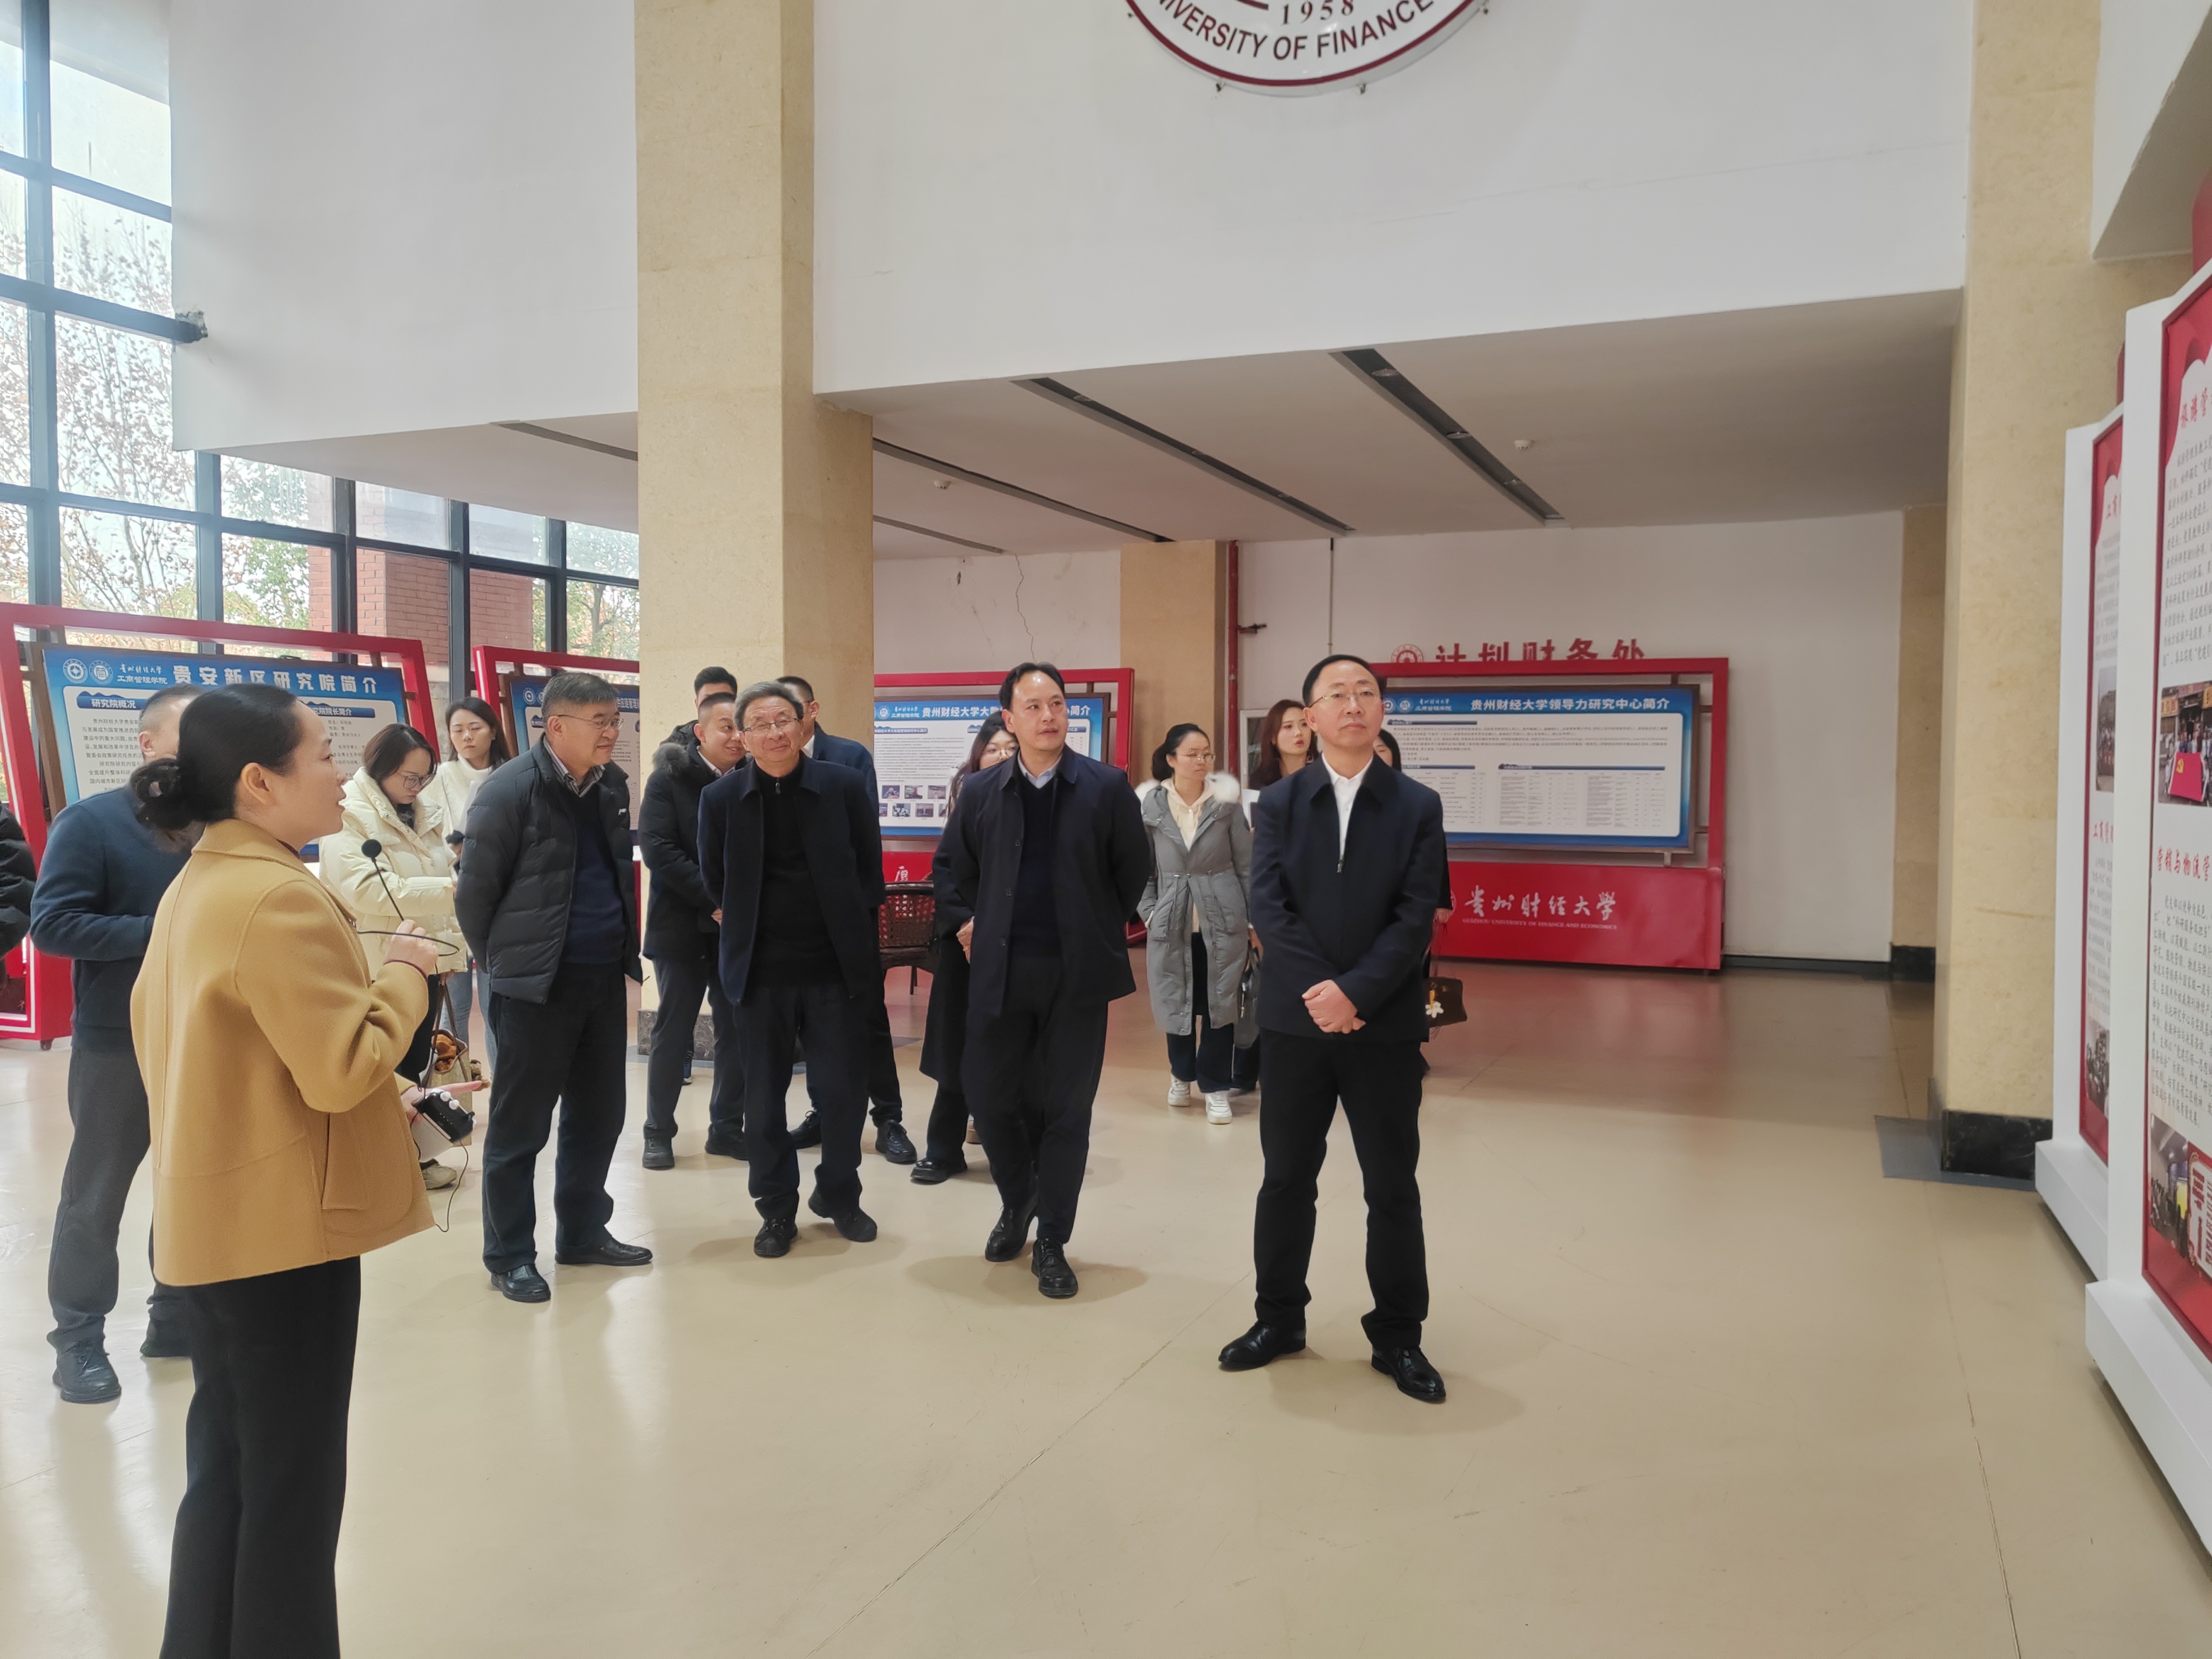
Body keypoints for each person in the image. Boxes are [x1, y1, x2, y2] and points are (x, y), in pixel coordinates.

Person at [127, 682, 443, 1656]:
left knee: (230, 1473)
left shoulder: (203, 881)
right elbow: (343, 1065)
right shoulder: (274, 895)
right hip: (281, 1238)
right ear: (259, 781)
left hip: (216, 1224)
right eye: (321, 755)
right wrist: (406, 973)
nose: (340, 775)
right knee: (292, 1496)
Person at [1218, 654, 1449, 1404]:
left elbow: (1415, 917)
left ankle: (1399, 1336)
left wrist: (1357, 994)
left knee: (1392, 1185)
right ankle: (1278, 1320)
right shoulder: (1280, 803)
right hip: (1296, 1023)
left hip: (1385, 1026)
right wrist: (1323, 992)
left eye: (1366, 693)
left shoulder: (1417, 805)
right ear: (1310, 716)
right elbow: (1269, 906)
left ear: (1381, 710)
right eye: (1337, 695)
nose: (1354, 704)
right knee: (1286, 1179)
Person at [937, 663, 1148, 1299]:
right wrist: (970, 921)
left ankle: (1052, 1239)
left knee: (1066, 1110)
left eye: (1056, 703)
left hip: (1075, 975)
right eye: (1032, 706)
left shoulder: (1106, 787)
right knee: (989, 1096)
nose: (1048, 716)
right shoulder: (982, 791)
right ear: (1009, 719)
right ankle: (1019, 1198)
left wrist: (1092, 925)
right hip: (999, 970)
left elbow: (1131, 869)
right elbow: (952, 869)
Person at [457, 670, 652, 1304]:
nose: (612, 732)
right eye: (600, 722)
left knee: (598, 1118)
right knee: (520, 1129)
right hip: (534, 988)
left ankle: (583, 1233)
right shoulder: (508, 790)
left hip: (602, 979)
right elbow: (474, 898)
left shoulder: (611, 784)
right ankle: (510, 1254)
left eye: (615, 720)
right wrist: (504, 968)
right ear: (557, 725)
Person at [33, 684, 183, 1404]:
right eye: (188, 735)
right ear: (147, 744)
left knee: (189, 1185)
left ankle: (175, 1317)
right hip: (116, 1040)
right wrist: (162, 933)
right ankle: (79, 1341)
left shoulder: (222, 824)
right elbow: (53, 924)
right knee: (95, 1197)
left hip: (204, 1036)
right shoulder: (91, 823)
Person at [699, 682, 887, 1256]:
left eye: (784, 719)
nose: (775, 732)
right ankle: (776, 1208)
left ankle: (840, 1194)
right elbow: (714, 879)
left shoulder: (843, 785)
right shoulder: (721, 799)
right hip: (760, 974)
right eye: (760, 724)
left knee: (842, 1094)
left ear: (804, 723)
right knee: (762, 1104)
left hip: (835, 969)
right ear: (743, 735)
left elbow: (869, 870)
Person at [318, 722, 472, 1190]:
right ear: (380, 768)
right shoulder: (349, 814)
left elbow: (438, 879)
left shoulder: (423, 813)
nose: (417, 787)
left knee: (417, 1062)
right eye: (409, 777)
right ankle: (381, 1165)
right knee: (385, 1066)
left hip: (423, 958)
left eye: (425, 778)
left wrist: (447, 957)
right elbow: (368, 890)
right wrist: (451, 890)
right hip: (378, 964)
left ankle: (413, 1159)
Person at [777, 671, 916, 1164]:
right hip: (796, 926)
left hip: (848, 918)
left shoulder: (849, 757)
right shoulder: (767, 763)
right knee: (812, 1024)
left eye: (789, 712)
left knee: (869, 1017)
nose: (780, 725)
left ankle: (889, 1118)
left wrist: (861, 908)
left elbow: (865, 840)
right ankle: (823, 1111)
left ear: (811, 711)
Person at [639, 690, 746, 1169]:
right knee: (674, 1030)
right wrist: (716, 899)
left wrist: (736, 906)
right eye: (727, 726)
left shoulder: (753, 778)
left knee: (735, 1030)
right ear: (701, 732)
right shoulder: (668, 779)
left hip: (735, 930)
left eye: (742, 727)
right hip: (681, 926)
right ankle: (657, 1132)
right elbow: (659, 850)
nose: (737, 736)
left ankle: (727, 1129)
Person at [912, 713, 1018, 1183]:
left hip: (1019, 945)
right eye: (993, 748)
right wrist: (968, 923)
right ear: (979, 755)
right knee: (957, 1044)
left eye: (1010, 749)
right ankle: (943, 1149)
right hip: (965, 943)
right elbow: (945, 870)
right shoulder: (968, 800)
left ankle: (1012, 1153)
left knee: (1011, 1050)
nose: (1001, 756)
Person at [1136, 723, 1253, 1127]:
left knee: (1221, 1005)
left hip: (1223, 918)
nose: (1202, 761)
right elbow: (1140, 870)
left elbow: (1247, 868)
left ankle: (1216, 1087)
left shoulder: (1227, 806)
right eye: (1193, 754)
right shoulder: (1149, 807)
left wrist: (1250, 919)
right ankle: (1181, 1075)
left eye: (1207, 754)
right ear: (1171, 759)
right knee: (1177, 1001)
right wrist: (1150, 912)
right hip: (1171, 919)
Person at [420, 694, 510, 1064]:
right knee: (453, 1007)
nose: (466, 737)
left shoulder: (513, 774)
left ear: (493, 731)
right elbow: (426, 838)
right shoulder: (438, 778)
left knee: (497, 1007)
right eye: (457, 730)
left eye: (475, 728)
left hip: (501, 901)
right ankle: (454, 1089)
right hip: (452, 897)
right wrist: (456, 850)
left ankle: (505, 1090)